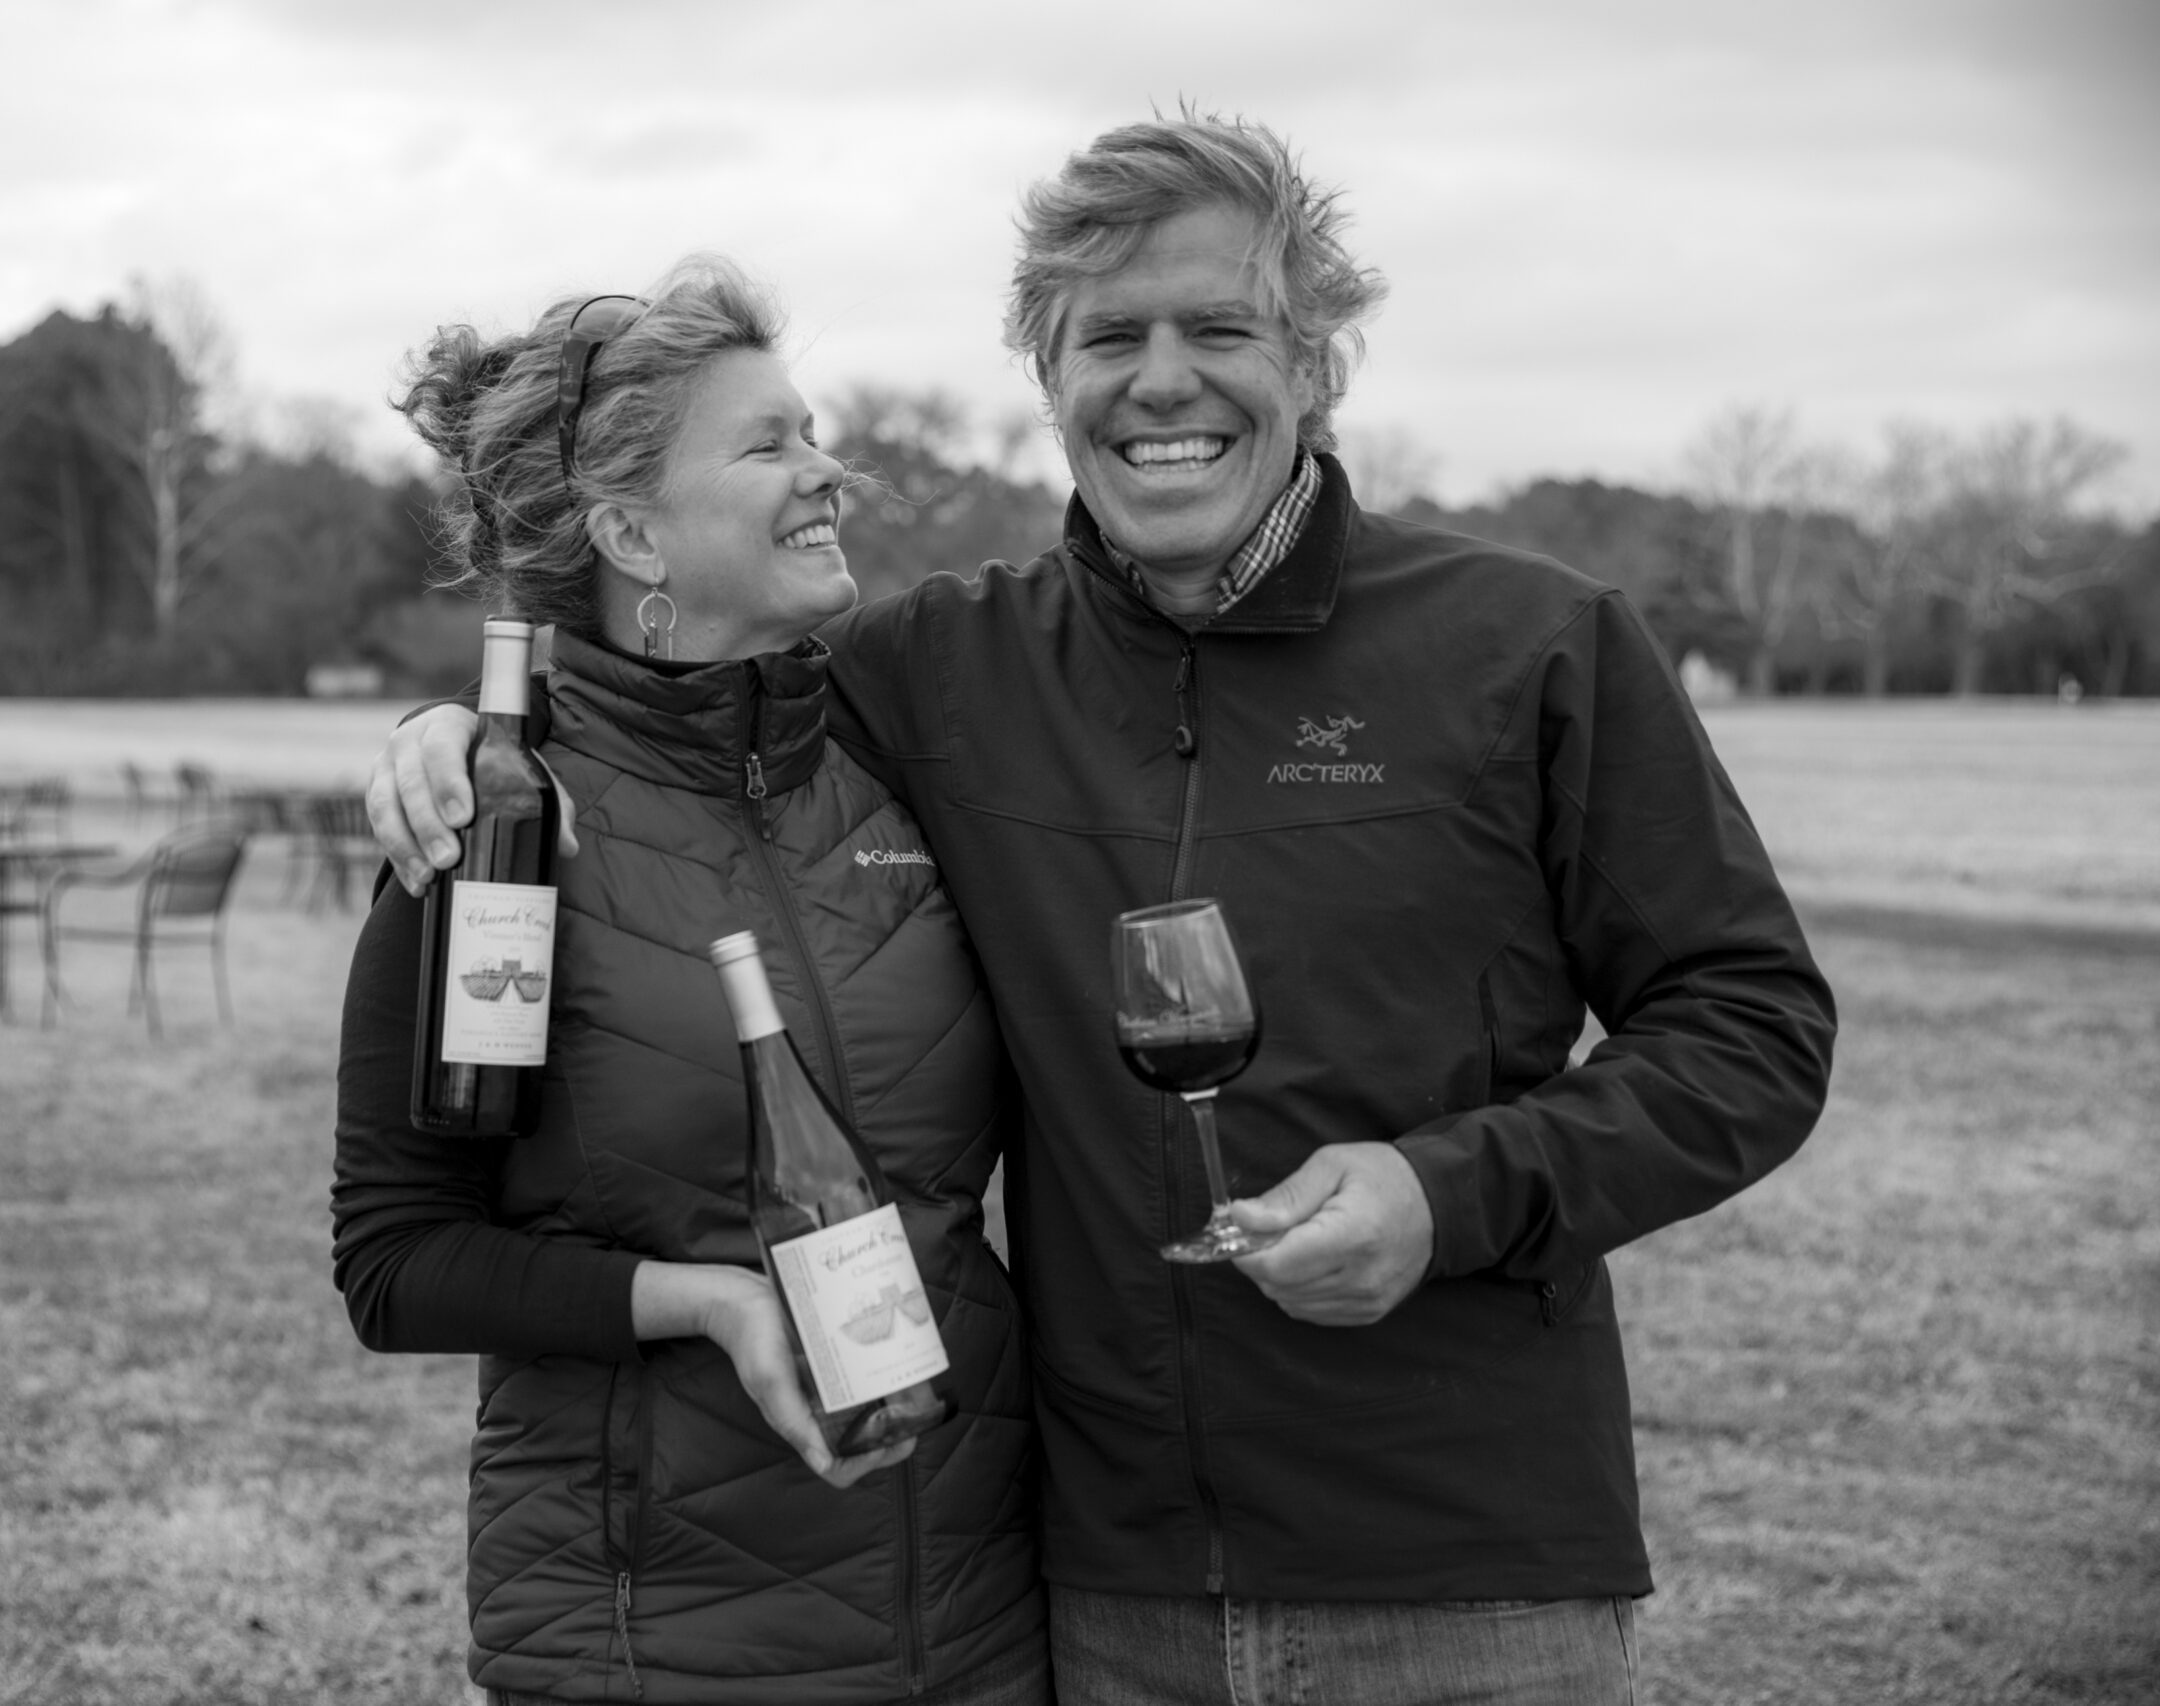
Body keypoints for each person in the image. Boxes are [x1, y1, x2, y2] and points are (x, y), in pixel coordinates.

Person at [367, 115, 1837, 1705]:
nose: (1162, 380)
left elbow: (1753, 1026)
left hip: (1470, 1583)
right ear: (1046, 375)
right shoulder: (933, 670)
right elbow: (669, 696)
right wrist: (457, 738)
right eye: (1107, 337)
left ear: (1318, 363)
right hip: (1103, 1596)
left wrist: (1452, 1192)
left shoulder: (1534, 644)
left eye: (1220, 328)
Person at [330, 259, 1047, 1705]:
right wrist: (702, 1299)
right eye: (770, 443)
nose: (827, 470)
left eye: (813, 429)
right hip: (656, 1643)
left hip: (975, 1627)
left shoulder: (891, 764)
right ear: (631, 534)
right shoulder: (502, 832)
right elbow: (395, 1259)